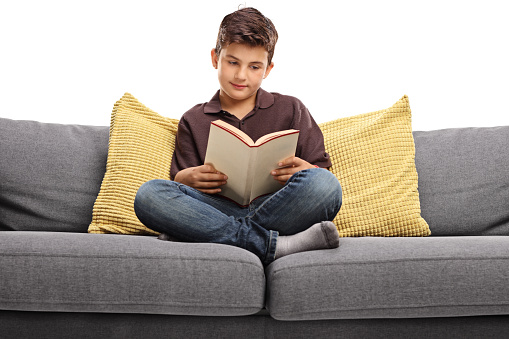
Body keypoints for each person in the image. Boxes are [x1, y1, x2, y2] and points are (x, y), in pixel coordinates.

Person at [134, 7, 342, 265]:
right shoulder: (193, 119)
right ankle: (272, 245)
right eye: (232, 62)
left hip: (277, 206)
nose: (241, 75)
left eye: (254, 66)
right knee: (149, 195)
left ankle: (199, 233)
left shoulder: (291, 108)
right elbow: (183, 189)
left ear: (268, 69)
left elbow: (320, 173)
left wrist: (306, 169)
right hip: (217, 209)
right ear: (215, 58)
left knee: (326, 185)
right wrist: (184, 178)